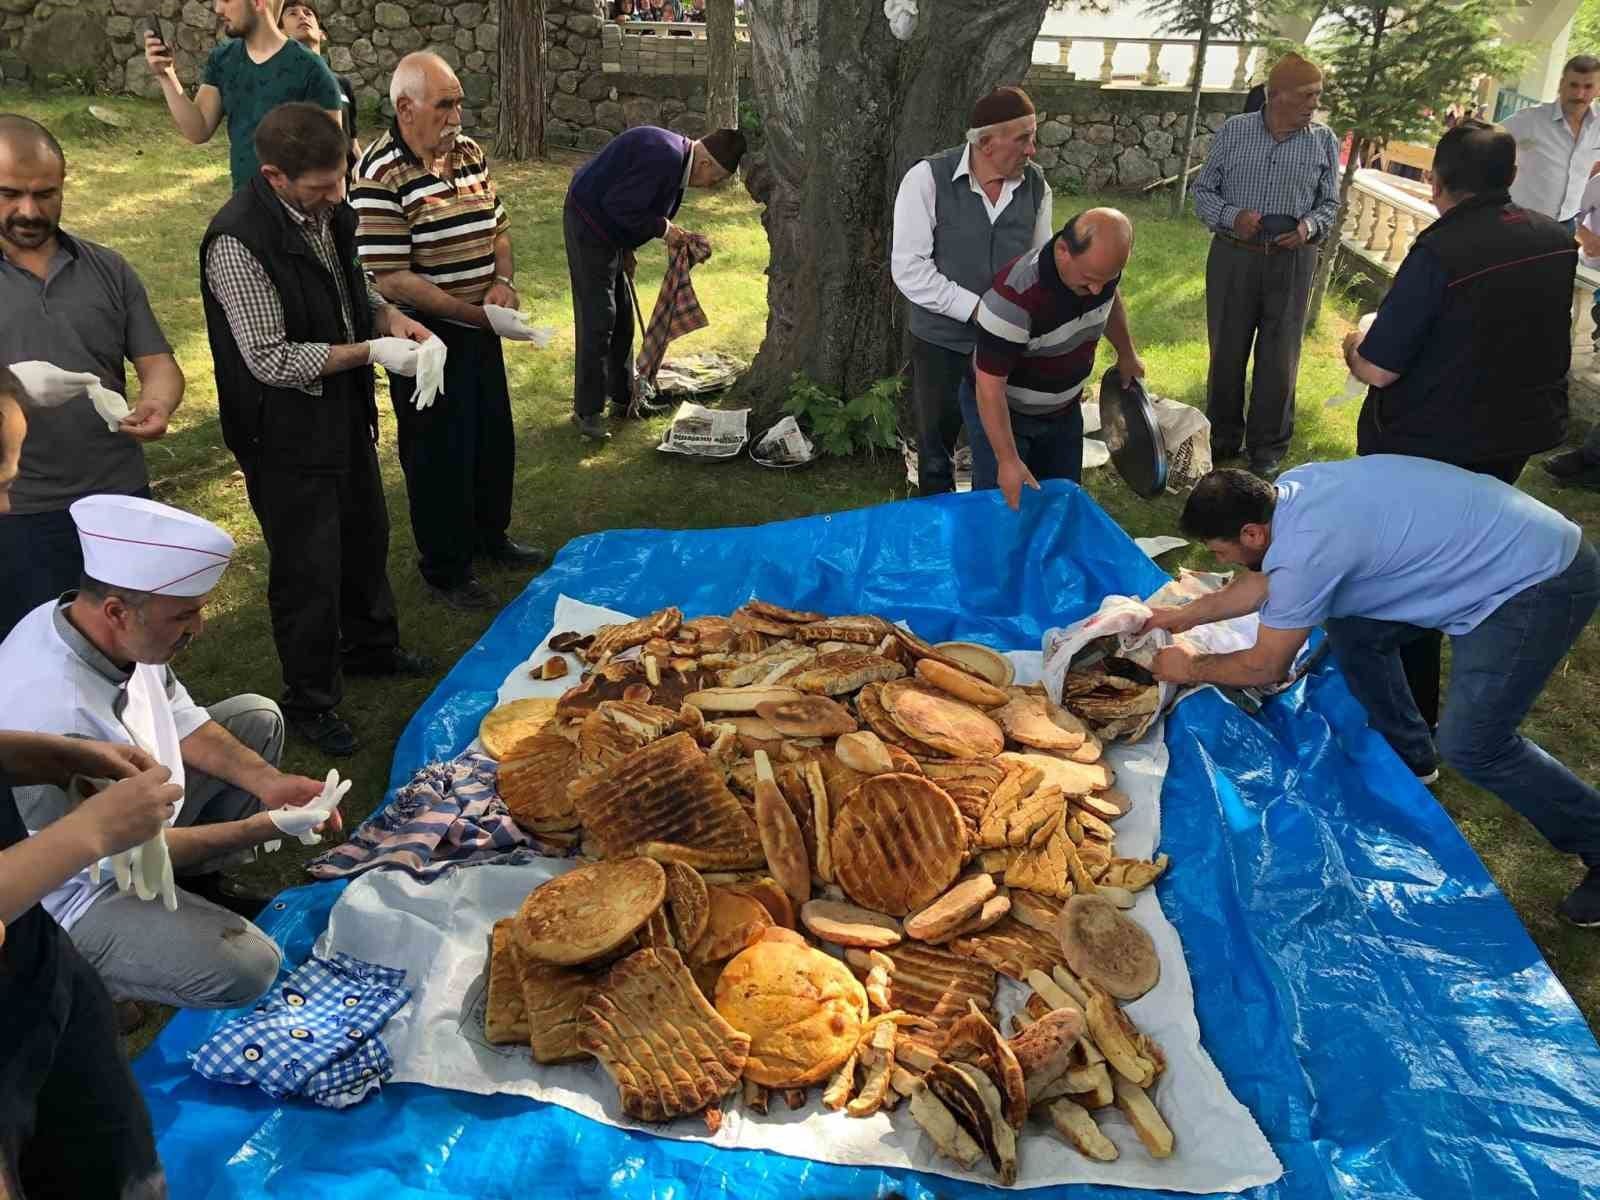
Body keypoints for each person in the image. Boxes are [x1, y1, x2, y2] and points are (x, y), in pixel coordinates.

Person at [1145, 461, 1600, 927]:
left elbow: (1265, 665)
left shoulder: (1308, 553)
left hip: (1538, 581)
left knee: (1474, 745)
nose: (1221, 562)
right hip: (1498, 544)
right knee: (1353, 627)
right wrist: (1186, 616)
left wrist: (1191, 666)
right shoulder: (1290, 495)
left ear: (1252, 534)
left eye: (1222, 552)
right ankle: (1411, 756)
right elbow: (1262, 583)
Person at [0, 493, 346, 1012]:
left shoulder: (88, 620)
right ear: (117, 611)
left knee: (256, 717)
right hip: (67, 889)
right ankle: (90, 982)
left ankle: (198, 885)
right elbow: (126, 853)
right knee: (248, 965)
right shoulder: (57, 713)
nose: (199, 628)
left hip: (126, 835)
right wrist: (266, 824)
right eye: (185, 615)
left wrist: (267, 785)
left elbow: (180, 714)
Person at [201, 104, 437, 757]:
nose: (338, 196)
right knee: (307, 565)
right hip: (279, 430)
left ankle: (372, 648)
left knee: (365, 531)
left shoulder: (331, 211)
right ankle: (310, 699)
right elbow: (270, 358)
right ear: (274, 176)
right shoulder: (236, 241)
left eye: (342, 178)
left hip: (340, 410)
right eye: (321, 187)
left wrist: (388, 317)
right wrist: (368, 353)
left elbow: (348, 280)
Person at [1341, 120, 1576, 735]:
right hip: (1512, 435)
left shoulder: (1441, 252)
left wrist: (1352, 342)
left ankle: (1412, 719)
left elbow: (1380, 368)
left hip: (1431, 444)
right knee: (1473, 555)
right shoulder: (1554, 240)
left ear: (1437, 179)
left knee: (1411, 576)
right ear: (1513, 177)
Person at [354, 53, 547, 611]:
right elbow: (392, 278)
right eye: (446, 104)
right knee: (438, 452)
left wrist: (502, 282)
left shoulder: (469, 153)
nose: (458, 113)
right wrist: (470, 315)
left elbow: (499, 226)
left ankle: (491, 537)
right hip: (427, 337)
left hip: (482, 323)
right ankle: (446, 567)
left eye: (460, 100)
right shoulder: (379, 174)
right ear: (405, 108)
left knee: (492, 437)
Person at [0, 114, 183, 641]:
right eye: (10, 193)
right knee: (38, 652)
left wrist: (158, 403)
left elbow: (157, 363)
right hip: (21, 512)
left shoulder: (108, 269)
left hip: (119, 500)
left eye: (45, 194)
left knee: (134, 646)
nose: (29, 211)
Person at [891, 86, 1052, 496]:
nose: (1032, 150)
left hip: (1006, 345)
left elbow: (1040, 268)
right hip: (940, 342)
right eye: (1023, 139)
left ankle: (991, 531)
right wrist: (979, 310)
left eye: (1033, 137)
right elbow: (909, 269)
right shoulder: (927, 178)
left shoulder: (1036, 187)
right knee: (934, 450)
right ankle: (936, 538)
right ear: (985, 143)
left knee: (999, 447)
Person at [1192, 52, 1340, 478]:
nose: (1315, 103)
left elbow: (1330, 202)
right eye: (1308, 95)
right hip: (1234, 256)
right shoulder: (1235, 132)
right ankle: (1221, 437)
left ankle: (1267, 447)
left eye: (1319, 95)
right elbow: (1203, 192)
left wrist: (1310, 226)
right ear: (1276, 95)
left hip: (1292, 262)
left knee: (1280, 357)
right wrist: (1232, 216)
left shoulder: (1323, 140)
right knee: (1227, 350)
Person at [563, 123, 746, 441]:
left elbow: (633, 203)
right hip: (588, 221)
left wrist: (627, 249)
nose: (708, 185)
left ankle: (623, 398)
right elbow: (619, 205)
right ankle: (587, 410)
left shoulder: (676, 161)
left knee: (621, 318)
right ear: (705, 164)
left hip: (610, 226)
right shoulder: (664, 157)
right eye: (714, 180)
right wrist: (667, 230)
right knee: (598, 318)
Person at [964, 208, 1143, 511]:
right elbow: (989, 388)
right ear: (1062, 251)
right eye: (1089, 280)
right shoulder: (1012, 299)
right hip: (1007, 411)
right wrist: (1008, 460)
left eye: (1107, 278)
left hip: (1063, 411)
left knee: (1061, 500)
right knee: (1004, 506)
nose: (1098, 289)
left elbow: (1110, 301)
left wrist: (1127, 353)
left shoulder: (1099, 273)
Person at [143, 0, 343, 192]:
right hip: (244, 210)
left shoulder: (311, 70)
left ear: (258, 2)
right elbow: (199, 129)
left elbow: (332, 163)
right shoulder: (223, 60)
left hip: (295, 217)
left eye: (227, 0)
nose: (218, 8)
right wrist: (166, 75)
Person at [1500, 55, 1600, 228]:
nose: (1579, 94)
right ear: (1561, 84)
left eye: (1588, 86)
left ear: (1598, 89)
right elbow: (1487, 140)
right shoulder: (1529, 119)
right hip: (1520, 220)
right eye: (1573, 85)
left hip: (1566, 225)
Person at [280, 1, 361, 164]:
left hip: (347, 180)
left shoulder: (342, 84)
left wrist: (364, 171)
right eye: (292, 13)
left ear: (322, 33)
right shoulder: (276, 83)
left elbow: (352, 143)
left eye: (308, 13)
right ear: (279, 32)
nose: (302, 16)